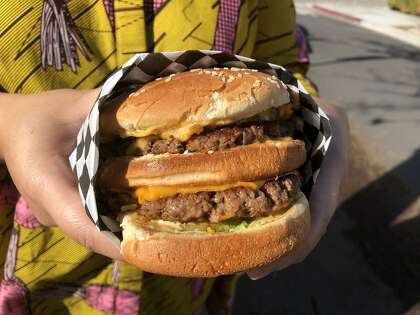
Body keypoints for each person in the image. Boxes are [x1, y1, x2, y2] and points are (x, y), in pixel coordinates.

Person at [0, 0, 349, 314]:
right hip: (35, 278)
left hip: (192, 297)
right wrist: (7, 119)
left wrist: (319, 111)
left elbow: (284, 61)